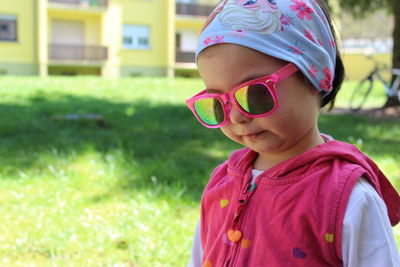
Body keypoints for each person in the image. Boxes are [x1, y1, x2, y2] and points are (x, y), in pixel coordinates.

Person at [185, 0, 400, 266]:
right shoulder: (223, 183)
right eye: (218, 104)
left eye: (255, 94)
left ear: (316, 76)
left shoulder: (347, 196)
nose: (237, 116)